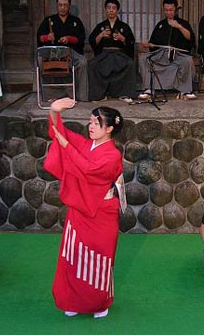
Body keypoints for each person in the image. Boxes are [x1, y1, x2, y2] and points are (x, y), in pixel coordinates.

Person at [44, 97, 126, 318]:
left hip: (101, 212)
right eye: (90, 122)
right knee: (73, 255)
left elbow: (88, 169)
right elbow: (57, 131)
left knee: (100, 257)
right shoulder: (84, 144)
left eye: (96, 123)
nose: (91, 126)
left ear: (109, 128)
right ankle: (71, 300)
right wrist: (54, 111)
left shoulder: (113, 155)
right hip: (79, 209)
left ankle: (99, 303)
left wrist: (65, 144)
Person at [139, 0, 197, 101]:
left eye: (171, 10)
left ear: (175, 9)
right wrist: (149, 45)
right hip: (161, 54)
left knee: (187, 60)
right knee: (143, 58)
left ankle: (186, 90)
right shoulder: (161, 25)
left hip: (178, 55)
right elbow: (154, 43)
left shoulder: (183, 23)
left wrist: (178, 26)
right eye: (166, 10)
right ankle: (149, 89)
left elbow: (191, 38)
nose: (168, 12)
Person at [37, 0, 88, 102]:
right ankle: (50, 95)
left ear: (69, 5)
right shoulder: (49, 20)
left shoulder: (75, 21)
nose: (62, 8)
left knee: (83, 62)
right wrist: (47, 37)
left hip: (70, 52)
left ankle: (80, 96)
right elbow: (40, 38)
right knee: (39, 61)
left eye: (65, 5)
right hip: (52, 52)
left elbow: (80, 39)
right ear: (56, 5)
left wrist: (69, 39)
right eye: (60, 5)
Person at [88, 0, 136, 103]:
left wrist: (122, 38)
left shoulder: (124, 26)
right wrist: (101, 35)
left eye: (114, 8)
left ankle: (124, 94)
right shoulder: (100, 26)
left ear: (117, 10)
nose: (111, 10)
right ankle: (99, 95)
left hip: (119, 54)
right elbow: (92, 41)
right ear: (105, 10)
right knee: (92, 65)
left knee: (130, 64)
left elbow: (131, 42)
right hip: (104, 54)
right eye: (108, 8)